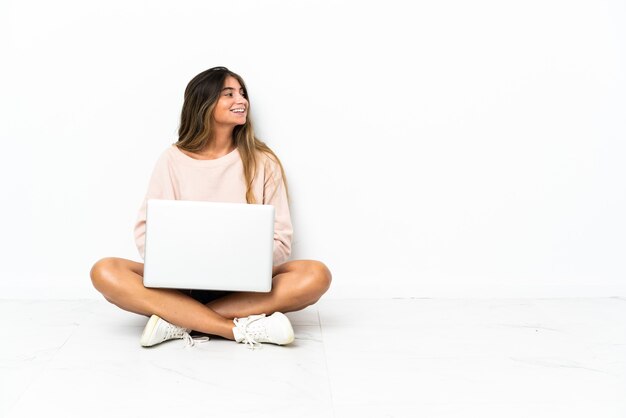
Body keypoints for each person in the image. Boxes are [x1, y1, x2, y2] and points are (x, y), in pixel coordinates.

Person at [90, 67, 332, 349]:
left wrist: (240, 259)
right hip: (179, 284)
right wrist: (187, 261)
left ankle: (177, 319)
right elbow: (147, 234)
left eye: (242, 93)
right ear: (203, 103)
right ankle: (234, 329)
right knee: (105, 270)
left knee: (316, 274)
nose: (241, 100)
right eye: (228, 94)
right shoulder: (172, 159)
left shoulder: (263, 162)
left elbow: (281, 239)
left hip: (245, 285)